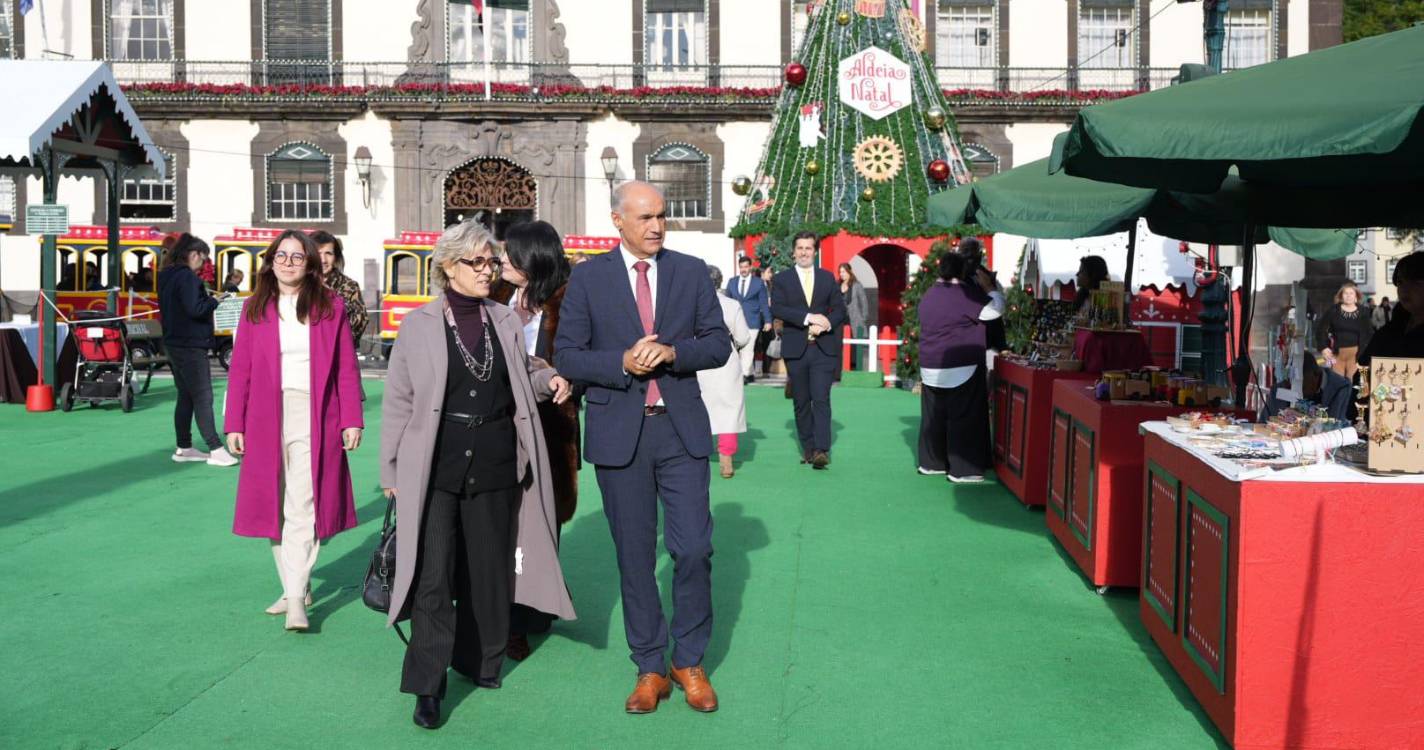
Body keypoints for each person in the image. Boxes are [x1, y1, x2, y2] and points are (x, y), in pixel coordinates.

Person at [380, 220, 575, 729]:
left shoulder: (504, 320)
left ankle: (479, 662)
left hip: (495, 460)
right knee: (434, 576)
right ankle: (427, 684)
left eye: (492, 261)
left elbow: (523, 369)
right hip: (436, 464)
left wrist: (549, 378)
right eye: (478, 262)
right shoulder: (418, 325)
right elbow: (399, 400)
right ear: (449, 267)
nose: (489, 271)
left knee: (487, 572)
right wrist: (391, 469)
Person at [554, 181, 730, 715]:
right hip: (619, 436)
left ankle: (689, 660)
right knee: (634, 556)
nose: (656, 226)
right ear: (618, 220)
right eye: (645, 217)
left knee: (693, 547)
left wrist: (673, 353)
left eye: (661, 216)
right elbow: (568, 355)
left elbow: (718, 344)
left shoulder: (690, 272)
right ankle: (650, 665)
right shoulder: (588, 278)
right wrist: (621, 363)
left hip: (680, 430)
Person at [223, 230, 365, 632]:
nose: (288, 263)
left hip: (316, 413)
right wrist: (234, 423)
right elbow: (241, 370)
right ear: (270, 262)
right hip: (264, 415)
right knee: (274, 503)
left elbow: (346, 367)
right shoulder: (254, 308)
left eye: (297, 256)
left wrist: (352, 418)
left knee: (302, 504)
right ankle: (293, 587)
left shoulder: (330, 307)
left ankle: (297, 600)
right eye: (281, 256)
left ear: (310, 264)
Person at [495, 219, 580, 662]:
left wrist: (557, 378)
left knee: (542, 523)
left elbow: (578, 360)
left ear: (532, 258)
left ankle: (532, 612)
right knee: (500, 524)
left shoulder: (567, 302)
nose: (500, 261)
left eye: (509, 253)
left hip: (548, 429)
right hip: (494, 427)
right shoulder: (492, 296)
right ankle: (506, 618)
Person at [915, 250, 1002, 482]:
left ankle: (932, 463)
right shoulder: (964, 294)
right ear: (962, 271)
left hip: (930, 365)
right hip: (960, 366)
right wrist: (990, 288)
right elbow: (996, 310)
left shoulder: (929, 295)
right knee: (963, 417)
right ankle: (963, 470)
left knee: (934, 417)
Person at [157, 233, 238, 467]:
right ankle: (215, 448)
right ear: (193, 254)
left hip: (173, 342)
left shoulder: (166, 275)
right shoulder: (188, 278)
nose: (203, 264)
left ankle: (184, 447)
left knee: (186, 396)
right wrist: (215, 301)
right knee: (203, 396)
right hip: (191, 344)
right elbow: (196, 309)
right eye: (203, 258)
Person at [772, 231, 847, 469]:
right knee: (802, 401)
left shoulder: (827, 278)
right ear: (794, 252)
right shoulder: (782, 279)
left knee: (821, 398)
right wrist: (808, 318)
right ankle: (808, 447)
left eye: (808, 248)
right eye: (800, 248)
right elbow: (778, 308)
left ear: (815, 252)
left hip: (823, 350)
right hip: (796, 350)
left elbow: (840, 310)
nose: (804, 252)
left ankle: (821, 449)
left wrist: (826, 323)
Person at [700, 264, 752, 479]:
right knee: (729, 408)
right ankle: (726, 457)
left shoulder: (691, 303)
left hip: (697, 359)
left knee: (698, 407)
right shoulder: (732, 305)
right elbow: (743, 337)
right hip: (726, 359)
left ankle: (698, 452)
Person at [1360, 253, 1424, 363]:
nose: (1404, 289)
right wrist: (1369, 372)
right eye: (1400, 282)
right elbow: (1362, 368)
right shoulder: (1390, 331)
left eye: (1415, 282)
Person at [310, 231, 369, 349]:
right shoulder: (298, 284)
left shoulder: (349, 286)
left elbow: (360, 321)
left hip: (338, 352)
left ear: (336, 257)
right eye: (317, 253)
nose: (323, 260)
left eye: (328, 253)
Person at [1264, 350, 1351, 421]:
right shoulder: (1280, 389)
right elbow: (1264, 422)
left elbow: (1333, 425)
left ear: (1316, 375)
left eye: (1302, 387)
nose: (1297, 392)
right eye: (1290, 383)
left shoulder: (1341, 388)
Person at [725, 255, 771, 384]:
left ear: (750, 267)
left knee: (748, 349)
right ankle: (749, 373)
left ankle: (744, 374)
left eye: (746, 267)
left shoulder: (758, 283)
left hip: (752, 321)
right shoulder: (732, 282)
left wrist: (768, 320)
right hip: (735, 321)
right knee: (737, 349)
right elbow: (727, 302)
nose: (743, 269)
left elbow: (763, 303)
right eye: (741, 267)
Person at [1316, 281, 1373, 379]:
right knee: (1337, 382)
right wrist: (1323, 348)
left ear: (1356, 296)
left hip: (1356, 355)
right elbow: (1321, 329)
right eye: (1345, 293)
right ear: (1341, 296)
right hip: (1336, 354)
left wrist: (1367, 354)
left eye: (1351, 293)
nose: (1348, 296)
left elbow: (1369, 333)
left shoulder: (1363, 312)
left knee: (1354, 383)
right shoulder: (1333, 310)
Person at [838, 263, 869, 370]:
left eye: (843, 271)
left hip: (855, 320)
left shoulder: (857, 285)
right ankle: (843, 367)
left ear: (849, 272)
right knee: (842, 345)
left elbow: (864, 303)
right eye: (840, 272)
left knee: (855, 345)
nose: (841, 274)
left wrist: (863, 319)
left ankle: (855, 367)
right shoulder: (837, 285)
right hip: (841, 320)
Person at [759, 265, 781, 378]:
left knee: (768, 343)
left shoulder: (769, 285)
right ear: (762, 273)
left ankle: (767, 369)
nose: (771, 275)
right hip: (759, 317)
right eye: (769, 272)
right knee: (759, 344)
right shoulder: (757, 285)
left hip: (769, 317)